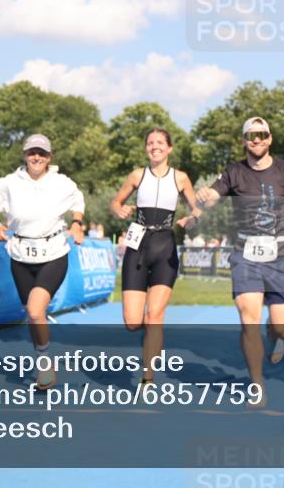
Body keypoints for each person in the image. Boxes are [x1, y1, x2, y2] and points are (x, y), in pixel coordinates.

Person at [196, 116, 284, 397]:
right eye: (251, 135)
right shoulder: (234, 171)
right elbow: (215, 194)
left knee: (283, 327)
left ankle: (275, 333)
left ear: (270, 139)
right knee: (248, 319)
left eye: (262, 134)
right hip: (246, 254)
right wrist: (205, 195)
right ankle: (257, 384)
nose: (257, 139)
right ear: (244, 141)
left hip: (282, 255)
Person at [0, 134, 86, 390]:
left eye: (42, 153)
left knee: (35, 310)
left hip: (53, 252)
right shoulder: (9, 182)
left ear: (49, 157)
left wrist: (76, 223)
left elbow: (78, 201)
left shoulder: (61, 182)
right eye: (32, 152)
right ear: (25, 155)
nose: (36, 157)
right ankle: (43, 357)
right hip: (20, 255)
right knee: (32, 315)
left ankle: (44, 362)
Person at [110, 128, 202, 384]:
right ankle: (153, 335)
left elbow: (197, 209)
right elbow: (115, 202)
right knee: (132, 322)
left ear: (169, 148)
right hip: (138, 245)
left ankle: (147, 378)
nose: (155, 147)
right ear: (146, 148)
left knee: (154, 314)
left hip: (165, 246)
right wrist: (118, 210)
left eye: (160, 142)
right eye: (150, 143)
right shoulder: (137, 175)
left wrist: (192, 219)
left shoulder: (180, 177)